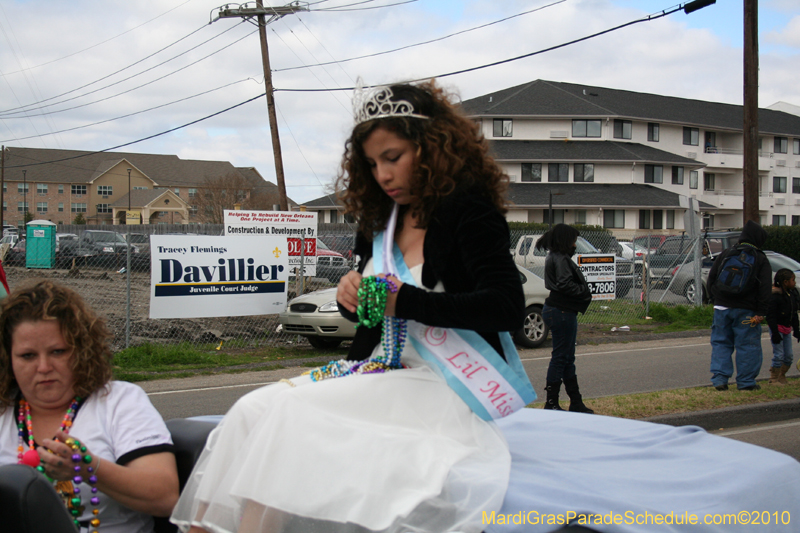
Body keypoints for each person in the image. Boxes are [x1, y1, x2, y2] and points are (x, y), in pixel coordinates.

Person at [170, 79, 535, 533]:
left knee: (291, 416)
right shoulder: (381, 220)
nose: (382, 175)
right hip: (380, 375)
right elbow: (373, 317)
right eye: (372, 163)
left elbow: (505, 307)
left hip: (442, 386)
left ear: (433, 147)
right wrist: (351, 301)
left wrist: (407, 301)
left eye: (393, 157)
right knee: (248, 411)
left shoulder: (469, 212)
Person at [0, 280, 179, 533]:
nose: (43, 367)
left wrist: (88, 469)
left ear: (82, 350)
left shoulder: (120, 401)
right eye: (28, 356)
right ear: (8, 359)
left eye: (58, 352)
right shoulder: (4, 410)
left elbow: (165, 497)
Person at [706, 220, 772, 391]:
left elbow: (712, 278)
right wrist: (761, 312)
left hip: (721, 308)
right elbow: (765, 288)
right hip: (747, 310)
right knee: (748, 345)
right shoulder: (760, 258)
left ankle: (720, 379)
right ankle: (746, 382)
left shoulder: (727, 253)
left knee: (721, 343)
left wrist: (715, 299)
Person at [535, 224, 594, 412]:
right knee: (561, 358)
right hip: (561, 310)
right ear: (566, 241)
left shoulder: (555, 256)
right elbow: (565, 284)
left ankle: (575, 402)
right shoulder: (560, 258)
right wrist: (584, 291)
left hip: (558, 309)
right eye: (574, 241)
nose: (575, 245)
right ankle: (552, 403)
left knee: (567, 358)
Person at [766, 268, 799, 385]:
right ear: (785, 282)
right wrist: (774, 332)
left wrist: (797, 330)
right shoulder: (775, 296)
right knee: (779, 354)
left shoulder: (792, 294)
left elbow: (794, 314)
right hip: (777, 328)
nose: (794, 283)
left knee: (789, 356)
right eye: (792, 280)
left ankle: (782, 375)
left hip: (787, 328)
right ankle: (773, 378)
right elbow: (770, 316)